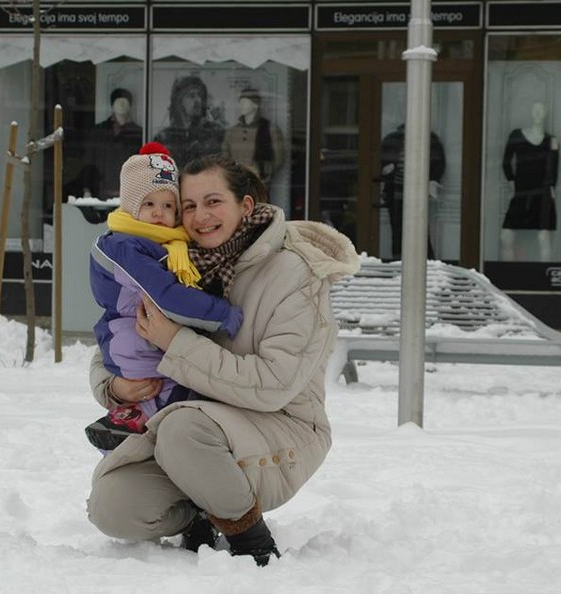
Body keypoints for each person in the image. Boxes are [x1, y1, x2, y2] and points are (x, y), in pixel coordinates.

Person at [86, 153, 360, 566]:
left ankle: (252, 543)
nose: (199, 216)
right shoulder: (178, 260)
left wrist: (177, 343)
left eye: (213, 202)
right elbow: (119, 332)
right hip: (193, 429)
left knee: (183, 427)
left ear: (245, 206)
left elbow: (273, 385)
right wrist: (112, 385)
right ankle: (202, 511)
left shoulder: (294, 274)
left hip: (281, 426)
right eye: (190, 205)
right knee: (114, 506)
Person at [84, 142, 244, 452]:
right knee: (169, 397)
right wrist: (223, 313)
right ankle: (123, 432)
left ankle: (126, 424)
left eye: (169, 206)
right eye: (149, 204)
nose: (160, 213)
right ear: (131, 207)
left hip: (145, 342)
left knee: (163, 394)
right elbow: (168, 296)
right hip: (134, 341)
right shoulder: (125, 247)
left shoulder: (167, 246)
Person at [501, 100, 559, 261]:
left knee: (543, 238)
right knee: (506, 237)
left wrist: (552, 190)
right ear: (530, 112)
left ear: (546, 113)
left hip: (542, 193)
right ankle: (508, 275)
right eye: (535, 109)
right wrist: (511, 182)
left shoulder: (551, 140)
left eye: (541, 110)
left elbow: (554, 168)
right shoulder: (517, 135)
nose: (538, 113)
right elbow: (506, 162)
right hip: (521, 192)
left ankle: (543, 279)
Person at [378, 124, 446, 260]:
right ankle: (398, 261)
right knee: (397, 229)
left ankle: (425, 261)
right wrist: (387, 170)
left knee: (419, 228)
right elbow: (379, 161)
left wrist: (433, 179)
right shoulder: (392, 140)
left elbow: (438, 162)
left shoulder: (429, 139)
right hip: (396, 191)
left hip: (417, 191)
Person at [79, 88, 143, 199]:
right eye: (118, 102)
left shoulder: (138, 134)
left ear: (130, 106)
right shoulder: (98, 131)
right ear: (112, 105)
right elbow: (89, 160)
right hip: (100, 192)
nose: (122, 105)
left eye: (125, 102)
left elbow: (141, 166)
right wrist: (86, 189)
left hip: (128, 194)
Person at [154, 76, 224, 170]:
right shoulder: (165, 137)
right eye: (191, 96)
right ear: (180, 102)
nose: (198, 100)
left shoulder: (215, 133)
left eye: (200, 95)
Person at [221, 88, 285, 185]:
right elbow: (225, 157)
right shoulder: (231, 132)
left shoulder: (271, 130)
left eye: (245, 102)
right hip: (236, 183)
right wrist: (233, 174)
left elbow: (279, 159)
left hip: (260, 182)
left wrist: (263, 171)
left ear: (255, 105)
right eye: (240, 102)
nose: (241, 105)